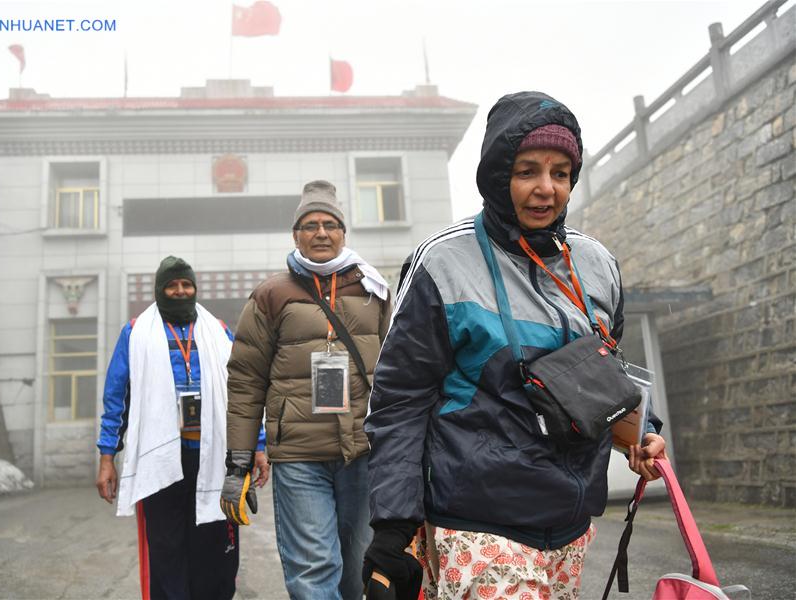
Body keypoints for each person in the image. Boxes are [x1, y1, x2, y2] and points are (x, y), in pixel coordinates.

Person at [362, 92, 667, 600]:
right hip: (477, 524)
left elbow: (604, 374)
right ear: (498, 175)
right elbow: (399, 401)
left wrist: (644, 432)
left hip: (571, 526)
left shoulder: (598, 265)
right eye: (528, 171)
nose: (546, 189)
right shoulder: (443, 262)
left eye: (561, 173)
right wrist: (393, 527)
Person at [221, 180, 392, 600]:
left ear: (343, 233)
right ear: (296, 234)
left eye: (330, 224)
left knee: (360, 569)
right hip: (299, 456)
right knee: (313, 571)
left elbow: (398, 375)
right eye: (310, 224)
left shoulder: (375, 291)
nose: (321, 232)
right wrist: (239, 461)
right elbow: (245, 381)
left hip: (363, 453)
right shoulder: (270, 296)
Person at [96, 255, 268, 600]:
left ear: (194, 288)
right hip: (160, 464)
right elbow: (116, 399)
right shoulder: (135, 333)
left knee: (217, 549)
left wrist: (258, 445)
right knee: (167, 551)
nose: (180, 291)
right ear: (160, 290)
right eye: (171, 285)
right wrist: (106, 459)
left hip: (214, 460)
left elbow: (242, 392)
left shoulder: (218, 331)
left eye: (186, 284)